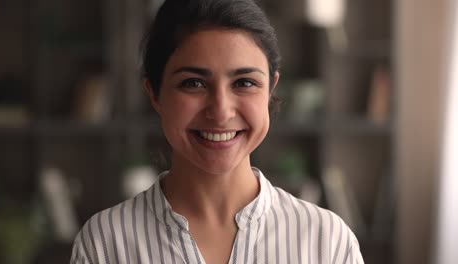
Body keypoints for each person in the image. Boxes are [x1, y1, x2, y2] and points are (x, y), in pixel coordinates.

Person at [70, 0, 364, 263]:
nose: (221, 111)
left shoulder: (327, 242)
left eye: (245, 83)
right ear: (155, 95)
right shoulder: (105, 245)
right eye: (193, 83)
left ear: (271, 89)